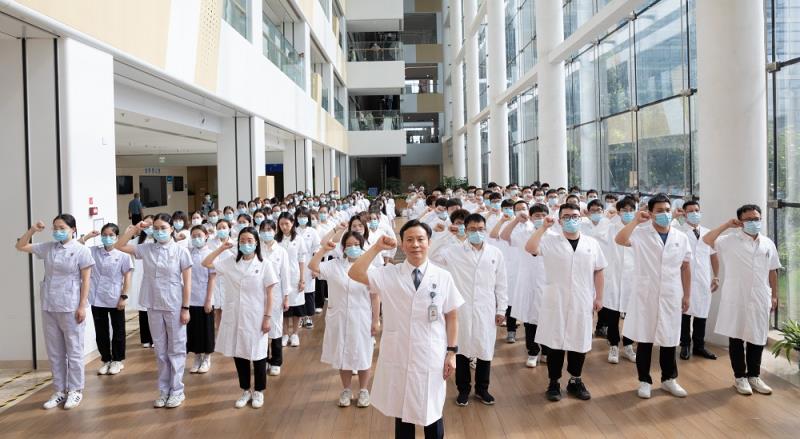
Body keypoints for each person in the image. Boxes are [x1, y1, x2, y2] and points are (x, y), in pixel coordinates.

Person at [348, 220, 463, 439]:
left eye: (420, 239)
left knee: (432, 411)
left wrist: (452, 352)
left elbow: (452, 316)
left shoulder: (443, 277)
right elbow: (354, 272)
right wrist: (377, 248)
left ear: (429, 243)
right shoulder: (389, 274)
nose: (415, 244)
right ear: (402, 244)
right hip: (399, 352)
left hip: (432, 352)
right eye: (409, 240)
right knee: (402, 412)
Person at [525, 203, 606, 402]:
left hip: (582, 299)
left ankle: (575, 381)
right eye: (566, 217)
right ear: (560, 221)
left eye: (575, 216)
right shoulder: (550, 240)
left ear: (581, 218)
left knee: (579, 342)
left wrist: (599, 297)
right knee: (555, 344)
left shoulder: (591, 243)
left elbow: (599, 270)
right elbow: (530, 248)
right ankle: (553, 383)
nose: (571, 220)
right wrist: (543, 228)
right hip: (556, 299)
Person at [615, 193, 692, 399]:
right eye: (659, 211)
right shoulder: (640, 233)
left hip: (671, 293)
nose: (665, 214)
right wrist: (635, 221)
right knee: (645, 338)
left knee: (669, 338)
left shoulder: (681, 237)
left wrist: (687, 295)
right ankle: (644, 380)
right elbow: (620, 239)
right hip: (646, 293)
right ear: (650, 213)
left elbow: (686, 267)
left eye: (667, 210)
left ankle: (669, 379)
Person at [15, 215, 95, 410]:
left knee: (74, 351)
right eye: (55, 228)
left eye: (62, 228)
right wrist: (33, 230)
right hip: (50, 305)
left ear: (73, 229)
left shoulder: (81, 250)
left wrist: (82, 306)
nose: (57, 231)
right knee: (55, 352)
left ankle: (75, 390)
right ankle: (59, 390)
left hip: (71, 306)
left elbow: (86, 280)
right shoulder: (48, 247)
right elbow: (20, 246)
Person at [703, 204, 781, 396]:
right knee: (736, 336)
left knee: (758, 337)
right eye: (749, 219)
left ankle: (754, 376)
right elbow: (707, 239)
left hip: (760, 295)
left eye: (757, 219)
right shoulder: (729, 240)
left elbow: (773, 271)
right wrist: (726, 225)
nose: (754, 222)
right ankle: (740, 377)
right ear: (740, 221)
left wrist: (774, 295)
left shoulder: (767, 243)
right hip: (736, 296)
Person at [116, 214, 193, 408]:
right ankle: (164, 390)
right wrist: (135, 229)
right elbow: (119, 246)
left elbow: (187, 283)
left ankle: (177, 391)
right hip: (153, 303)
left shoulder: (181, 251)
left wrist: (186, 307)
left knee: (176, 349)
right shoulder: (146, 248)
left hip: (175, 304)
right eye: (156, 228)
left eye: (163, 228)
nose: (159, 232)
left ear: (172, 229)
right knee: (160, 350)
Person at [432, 213, 507, 406]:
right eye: (472, 229)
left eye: (480, 229)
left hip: (486, 307)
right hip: (461, 308)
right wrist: (447, 234)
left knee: (485, 349)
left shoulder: (495, 253)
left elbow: (501, 283)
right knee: (462, 349)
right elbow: (431, 255)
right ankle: (463, 390)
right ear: (465, 230)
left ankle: (482, 389)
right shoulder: (453, 251)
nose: (477, 233)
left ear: (485, 229)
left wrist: (501, 308)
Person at [203, 226, 277, 409]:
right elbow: (206, 263)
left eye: (250, 240)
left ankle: (259, 391)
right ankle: (245, 390)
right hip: (235, 315)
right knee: (239, 354)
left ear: (256, 243)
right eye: (242, 241)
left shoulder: (265, 264)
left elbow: (270, 294)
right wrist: (221, 248)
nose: (246, 244)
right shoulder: (230, 262)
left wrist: (267, 317)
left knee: (258, 355)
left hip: (256, 316)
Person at [309, 233, 380, 408]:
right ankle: (346, 390)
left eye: (356, 244)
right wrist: (324, 250)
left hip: (362, 317)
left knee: (363, 354)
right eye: (348, 244)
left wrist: (375, 320)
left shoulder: (370, 268)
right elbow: (313, 266)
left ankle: (363, 390)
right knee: (342, 354)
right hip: (339, 317)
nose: (352, 247)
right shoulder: (334, 265)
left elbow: (375, 297)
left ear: (362, 246)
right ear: (343, 248)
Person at [79, 224, 132, 376]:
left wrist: (124, 296)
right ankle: (106, 360)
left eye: (111, 235)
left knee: (118, 330)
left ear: (116, 237)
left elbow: (127, 278)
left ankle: (117, 360)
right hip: (97, 298)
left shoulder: (123, 256)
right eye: (104, 235)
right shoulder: (93, 251)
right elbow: (76, 247)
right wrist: (88, 236)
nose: (107, 238)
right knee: (101, 332)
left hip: (115, 298)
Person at [677, 200, 720, 360]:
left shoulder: (708, 233)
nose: (694, 213)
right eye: (690, 211)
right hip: (683, 279)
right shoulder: (679, 232)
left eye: (696, 210)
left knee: (702, 314)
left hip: (703, 279)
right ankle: (685, 345)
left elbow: (714, 256)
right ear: (684, 214)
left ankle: (699, 347)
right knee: (684, 314)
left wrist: (716, 276)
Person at [601, 197, 638, 364]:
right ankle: (614, 345)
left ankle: (628, 345)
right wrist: (607, 214)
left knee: (631, 314)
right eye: (624, 210)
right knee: (613, 314)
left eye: (631, 210)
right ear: (619, 212)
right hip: (614, 276)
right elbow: (597, 233)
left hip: (632, 277)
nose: (628, 213)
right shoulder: (610, 227)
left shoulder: (640, 229)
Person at [259, 220, 291, 376]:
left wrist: (286, 297)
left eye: (269, 229)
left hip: (276, 295)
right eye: (263, 230)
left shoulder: (281, 251)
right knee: (260, 328)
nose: (266, 232)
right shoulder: (257, 249)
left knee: (276, 328)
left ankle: (276, 361)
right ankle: (263, 359)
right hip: (259, 294)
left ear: (274, 230)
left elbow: (285, 275)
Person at [186, 225, 217, 374]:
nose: (196, 238)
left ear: (206, 236)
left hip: (205, 297)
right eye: (193, 236)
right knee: (193, 330)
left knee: (207, 330)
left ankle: (207, 358)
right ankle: (197, 358)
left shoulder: (210, 253)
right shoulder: (188, 253)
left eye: (199, 235)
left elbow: (212, 277)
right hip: (190, 298)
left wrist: (208, 299)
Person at [276, 212, 308, 347]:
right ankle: (284, 334)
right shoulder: (276, 239)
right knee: (283, 308)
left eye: (286, 224)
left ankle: (295, 334)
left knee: (297, 307)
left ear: (292, 223)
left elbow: (301, 260)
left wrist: (302, 279)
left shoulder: (298, 239)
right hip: (279, 277)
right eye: (281, 224)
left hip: (295, 276)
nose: (284, 227)